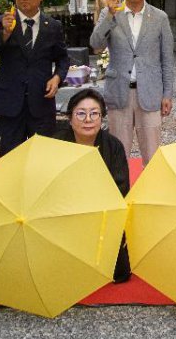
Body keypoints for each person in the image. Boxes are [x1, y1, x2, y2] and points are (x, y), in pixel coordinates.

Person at [89, 0, 174, 166]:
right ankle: (119, 193)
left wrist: (167, 94)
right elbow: (95, 44)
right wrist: (109, 14)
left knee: (153, 155)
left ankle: (151, 193)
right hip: (119, 91)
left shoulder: (160, 17)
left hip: (150, 92)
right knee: (118, 153)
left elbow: (167, 59)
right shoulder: (111, 13)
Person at [0, 0, 69, 156]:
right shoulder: (2, 21)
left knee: (42, 156)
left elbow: (62, 58)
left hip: (41, 101)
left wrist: (57, 78)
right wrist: (6, 33)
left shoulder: (52, 26)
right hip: (10, 102)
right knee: (10, 155)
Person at [54, 88, 130, 282]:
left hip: (101, 215)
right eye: (81, 113)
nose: (88, 119)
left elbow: (121, 189)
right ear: (70, 118)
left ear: (101, 118)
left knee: (119, 273)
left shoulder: (113, 146)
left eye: (94, 113)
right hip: (64, 213)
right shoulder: (56, 144)